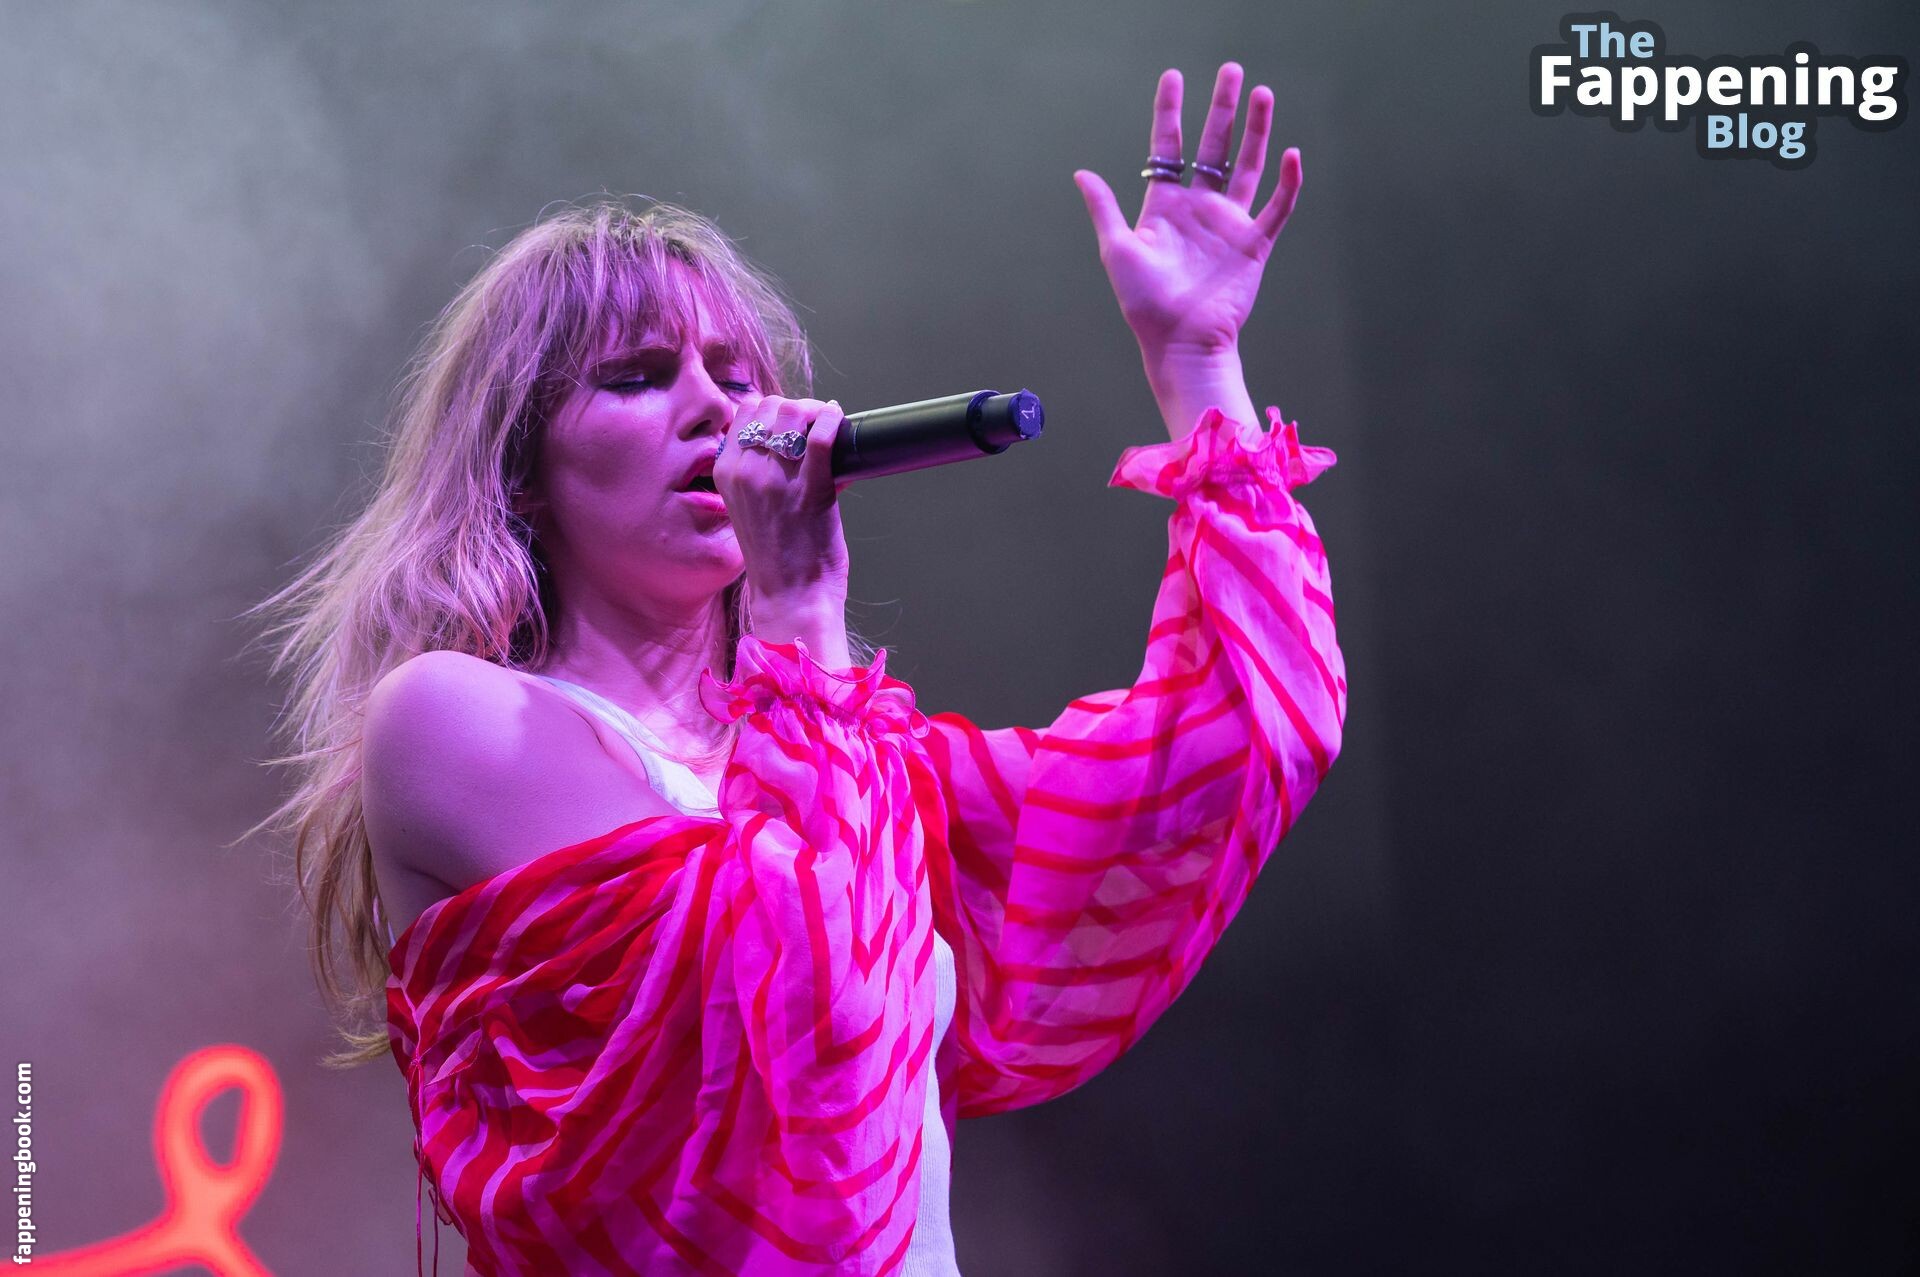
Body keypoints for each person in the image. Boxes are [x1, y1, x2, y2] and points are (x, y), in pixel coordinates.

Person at [249, 60, 1344, 1277]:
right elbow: (803, 1042)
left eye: (738, 375)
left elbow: (1238, 746)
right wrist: (797, 606)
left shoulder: (861, 771)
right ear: (522, 468)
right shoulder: (457, 720)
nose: (713, 409)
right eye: (637, 376)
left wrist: (1198, 367)